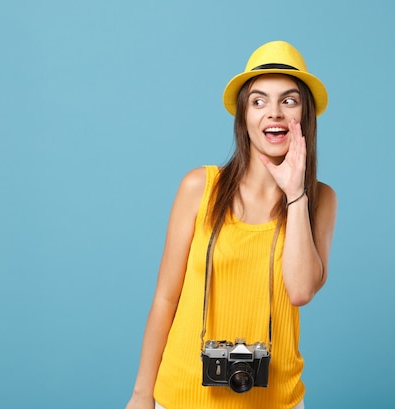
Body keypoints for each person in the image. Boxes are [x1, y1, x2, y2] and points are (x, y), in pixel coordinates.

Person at [125, 40, 337, 409]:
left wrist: (295, 194)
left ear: (305, 116)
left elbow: (301, 291)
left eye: (289, 101)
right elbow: (165, 298)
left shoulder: (319, 200)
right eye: (259, 101)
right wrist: (141, 395)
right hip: (185, 397)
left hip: (276, 400)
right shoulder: (199, 187)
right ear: (243, 117)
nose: (273, 113)